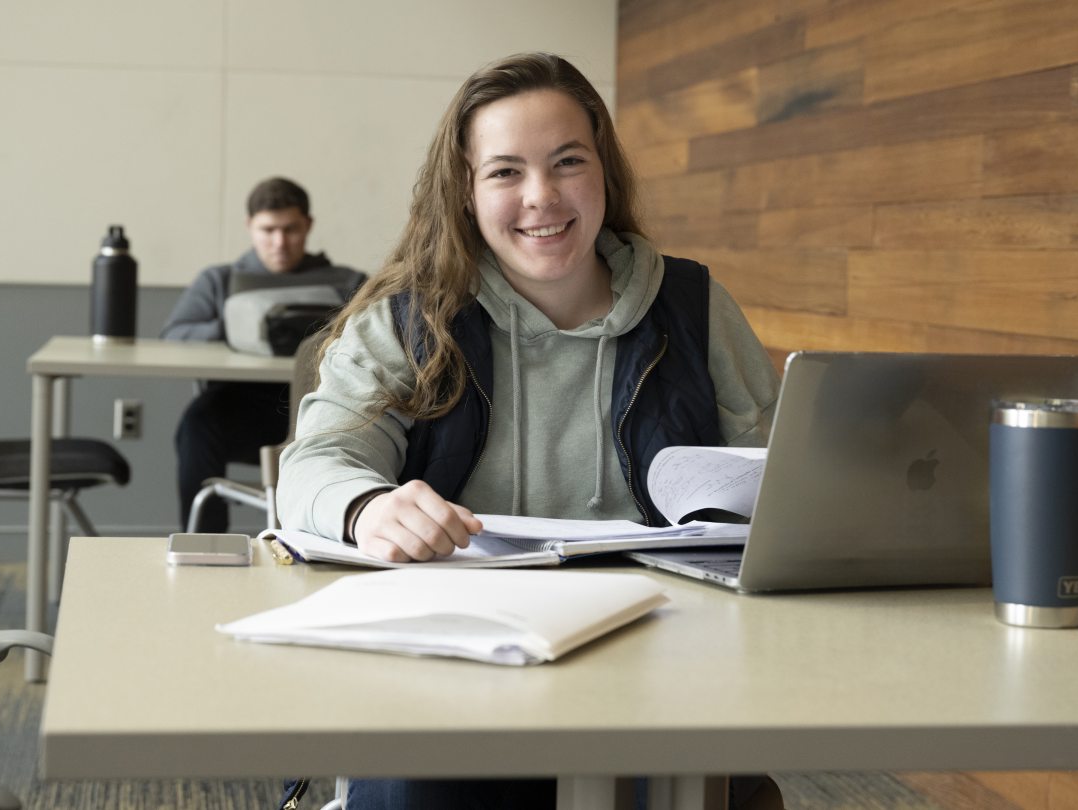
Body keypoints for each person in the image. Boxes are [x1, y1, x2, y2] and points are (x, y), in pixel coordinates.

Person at [276, 53, 783, 809]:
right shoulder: (408, 319)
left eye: (567, 162)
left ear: (603, 172)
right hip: (448, 682)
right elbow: (316, 463)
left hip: (658, 674)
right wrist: (367, 508)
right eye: (505, 172)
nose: (541, 197)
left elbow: (780, 483)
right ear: (467, 193)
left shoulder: (697, 308)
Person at [163, 177, 364, 533]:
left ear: (308, 225)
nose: (280, 243)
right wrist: (234, 332)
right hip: (243, 409)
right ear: (249, 227)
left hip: (322, 408)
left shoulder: (347, 282)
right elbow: (175, 335)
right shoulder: (220, 281)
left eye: (291, 230)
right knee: (196, 425)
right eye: (268, 230)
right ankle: (204, 546)